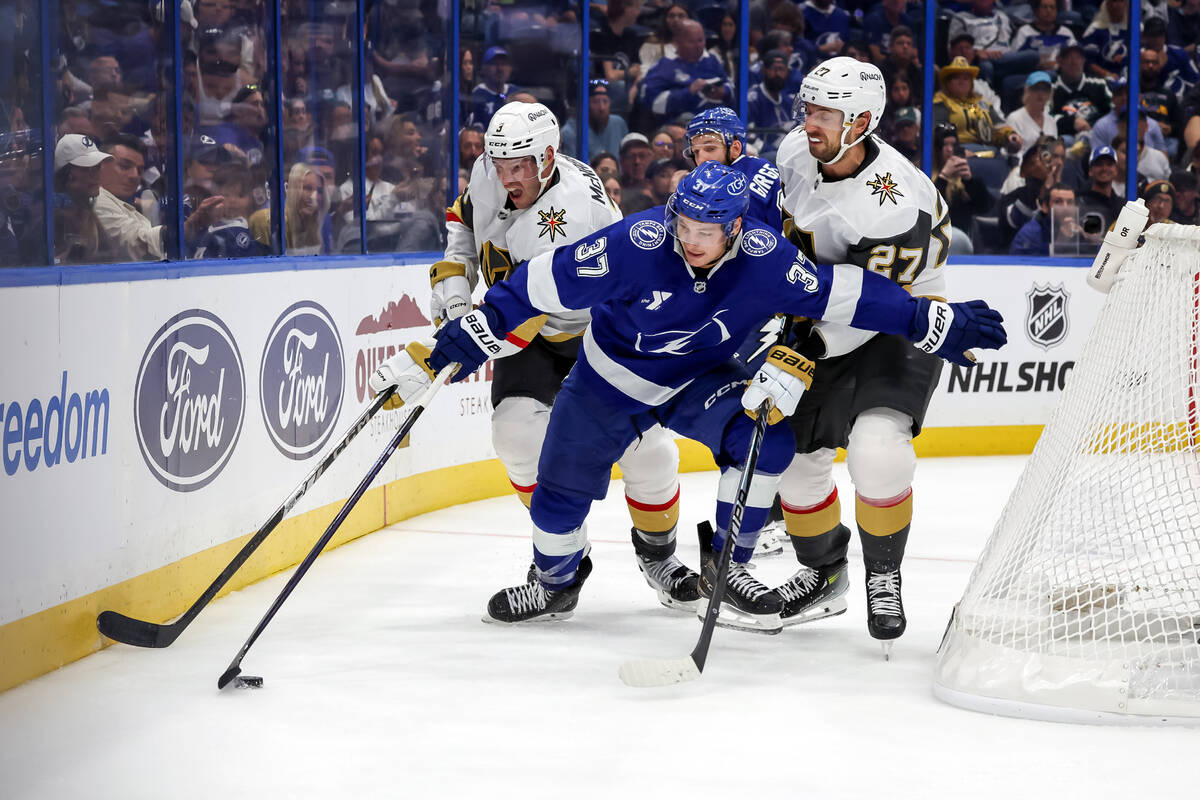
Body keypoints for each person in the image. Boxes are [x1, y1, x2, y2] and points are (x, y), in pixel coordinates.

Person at [373, 160, 1006, 629]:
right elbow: (533, 287)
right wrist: (443, 351)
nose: (693, 238)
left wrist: (930, 320)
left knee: (766, 439)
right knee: (557, 502)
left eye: (709, 228)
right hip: (607, 383)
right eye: (685, 223)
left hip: (694, 380)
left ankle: (728, 563)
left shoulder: (765, 257)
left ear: (738, 226)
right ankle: (556, 581)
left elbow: (846, 293)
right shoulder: (634, 245)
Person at [371, 101, 695, 616]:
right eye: (499, 163)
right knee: (514, 434)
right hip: (533, 331)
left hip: (603, 331)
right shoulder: (491, 171)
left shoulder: (571, 214)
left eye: (519, 165)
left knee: (648, 449)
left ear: (547, 157)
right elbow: (463, 221)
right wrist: (454, 294)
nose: (507, 176)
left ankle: (660, 558)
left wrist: (439, 354)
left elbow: (526, 310)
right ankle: (561, 565)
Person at [772, 57, 957, 649]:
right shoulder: (795, 152)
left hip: (902, 318)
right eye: (808, 109)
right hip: (821, 311)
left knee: (877, 450)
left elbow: (878, 303)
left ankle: (883, 571)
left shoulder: (895, 202)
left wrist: (804, 347)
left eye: (825, 113)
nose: (810, 122)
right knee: (792, 463)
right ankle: (824, 572)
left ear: (861, 122)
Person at [683, 106, 781, 230]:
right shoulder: (758, 164)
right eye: (696, 152)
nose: (701, 159)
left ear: (735, 149)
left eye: (710, 149)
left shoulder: (739, 191)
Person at [638, 20, 733, 125]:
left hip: (718, 120)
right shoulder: (664, 66)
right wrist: (689, 92)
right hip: (681, 123)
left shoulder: (712, 60)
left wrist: (723, 91)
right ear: (678, 41)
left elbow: (730, 86)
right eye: (691, 41)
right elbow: (651, 102)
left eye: (700, 40)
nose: (697, 46)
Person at [93, 133, 166, 262]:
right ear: (99, 166)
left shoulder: (123, 203)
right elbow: (134, 241)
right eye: (125, 166)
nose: (135, 176)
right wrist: (182, 232)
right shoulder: (96, 200)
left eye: (140, 170)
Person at [932, 57, 1021, 154]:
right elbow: (939, 133)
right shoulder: (941, 102)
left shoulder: (979, 102)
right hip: (959, 152)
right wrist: (959, 151)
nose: (962, 82)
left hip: (988, 150)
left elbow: (998, 124)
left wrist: (1010, 135)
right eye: (956, 78)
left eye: (966, 78)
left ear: (971, 83)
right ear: (948, 82)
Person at [1011, 182, 1080, 255]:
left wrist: (1087, 241)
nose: (1065, 208)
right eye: (1058, 202)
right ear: (1045, 207)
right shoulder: (1029, 233)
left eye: (1070, 202)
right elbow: (1028, 261)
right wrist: (1060, 242)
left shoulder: (1079, 226)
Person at [1006, 72, 1059, 156]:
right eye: (1036, 88)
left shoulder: (1051, 121)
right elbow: (1011, 155)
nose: (1040, 93)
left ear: (1050, 94)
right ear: (1027, 91)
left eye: (1045, 89)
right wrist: (1034, 151)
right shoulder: (1014, 119)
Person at [1077, 145, 1124, 231]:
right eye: (1099, 164)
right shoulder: (1079, 203)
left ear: (1116, 170)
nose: (1104, 168)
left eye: (1109, 164)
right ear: (1090, 170)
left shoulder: (1122, 206)